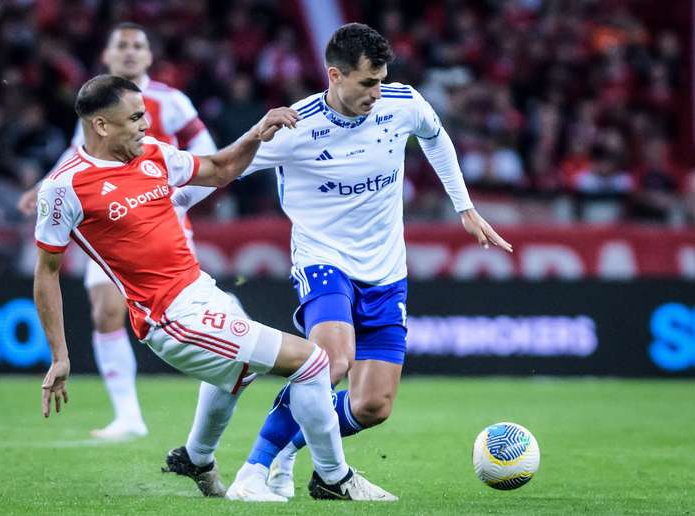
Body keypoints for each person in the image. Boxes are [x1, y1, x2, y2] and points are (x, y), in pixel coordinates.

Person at [172, 23, 512, 500]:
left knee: (373, 405)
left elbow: (436, 137)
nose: (377, 91)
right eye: (367, 82)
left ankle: (295, 459)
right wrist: (169, 207)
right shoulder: (296, 128)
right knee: (330, 362)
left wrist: (464, 206)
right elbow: (223, 170)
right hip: (322, 258)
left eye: (381, 79)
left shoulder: (403, 104)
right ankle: (255, 468)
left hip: (387, 269)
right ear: (335, 75)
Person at [34, 74, 397, 503]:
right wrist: (60, 355)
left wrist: (257, 132)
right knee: (314, 362)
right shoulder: (64, 187)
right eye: (134, 118)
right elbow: (47, 271)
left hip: (201, 290)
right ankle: (334, 478)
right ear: (100, 125)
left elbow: (221, 168)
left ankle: (195, 456)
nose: (144, 125)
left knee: (235, 375)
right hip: (168, 317)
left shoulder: (153, 155)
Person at [19, 22, 218, 441]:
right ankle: (129, 416)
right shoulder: (99, 108)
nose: (130, 51)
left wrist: (178, 196)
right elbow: (79, 157)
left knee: (177, 310)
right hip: (106, 221)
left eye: (138, 45)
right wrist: (43, 187)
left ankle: (227, 343)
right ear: (108, 56)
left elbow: (207, 153)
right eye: (121, 45)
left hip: (155, 218)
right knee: (105, 312)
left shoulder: (170, 100)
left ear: (149, 56)